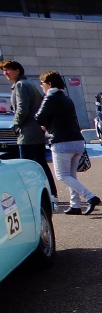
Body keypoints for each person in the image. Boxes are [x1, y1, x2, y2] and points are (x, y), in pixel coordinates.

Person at [35, 71, 101, 216]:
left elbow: (39, 118)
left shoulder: (50, 97)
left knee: (62, 175)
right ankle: (75, 205)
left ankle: (90, 197)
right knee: (71, 175)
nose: (41, 87)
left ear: (49, 84)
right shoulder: (67, 98)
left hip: (61, 142)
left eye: (42, 84)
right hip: (77, 141)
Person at [1, 60, 59, 208]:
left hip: (28, 132)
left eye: (8, 70)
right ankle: (51, 193)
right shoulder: (27, 84)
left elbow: (22, 108)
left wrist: (15, 124)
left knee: (27, 165)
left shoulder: (21, 85)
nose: (5, 73)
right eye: (4, 70)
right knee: (40, 163)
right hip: (35, 130)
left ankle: (37, 195)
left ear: (17, 70)